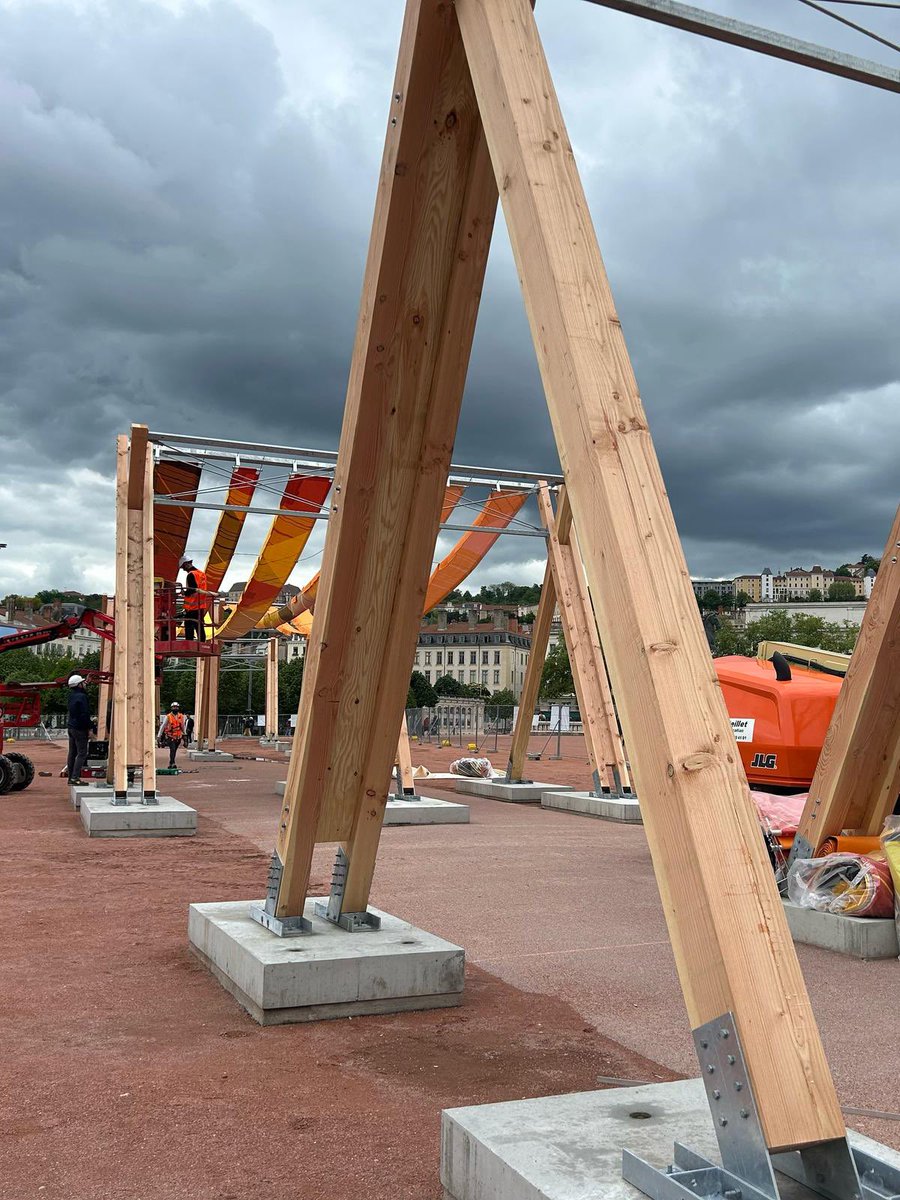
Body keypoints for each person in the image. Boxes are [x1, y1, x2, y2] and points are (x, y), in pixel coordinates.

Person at [64, 675, 96, 783]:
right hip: (80, 728)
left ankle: (71, 777)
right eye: (82, 683)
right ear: (79, 685)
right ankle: (75, 777)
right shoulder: (82, 697)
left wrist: (86, 682)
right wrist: (90, 728)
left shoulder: (72, 696)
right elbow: (84, 714)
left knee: (72, 753)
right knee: (82, 753)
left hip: (71, 728)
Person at [179, 555, 209, 642]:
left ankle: (189, 642)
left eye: (183, 567)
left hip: (192, 606)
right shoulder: (201, 574)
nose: (184, 569)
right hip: (200, 605)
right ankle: (202, 642)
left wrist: (184, 593)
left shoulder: (191, 575)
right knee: (199, 625)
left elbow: (193, 589)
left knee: (189, 625)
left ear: (186, 564)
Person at [157, 701, 186, 769]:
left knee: (175, 750)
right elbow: (163, 726)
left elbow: (182, 726)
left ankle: (171, 762)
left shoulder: (181, 716)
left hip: (178, 737)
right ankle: (172, 763)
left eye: (176, 707)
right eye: (173, 707)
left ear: (178, 708)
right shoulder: (168, 717)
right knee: (172, 749)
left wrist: (185, 734)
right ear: (171, 708)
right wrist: (159, 735)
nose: (175, 708)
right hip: (170, 736)